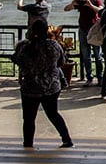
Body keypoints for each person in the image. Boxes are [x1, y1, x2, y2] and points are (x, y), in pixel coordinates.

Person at [11, 19, 73, 149]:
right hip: (50, 86)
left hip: (30, 87)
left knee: (28, 119)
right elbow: (61, 62)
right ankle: (67, 140)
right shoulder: (53, 45)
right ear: (47, 30)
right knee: (53, 114)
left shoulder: (25, 46)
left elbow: (16, 59)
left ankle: (28, 144)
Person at [64, 0, 102, 86]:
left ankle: (100, 78)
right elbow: (66, 9)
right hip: (83, 30)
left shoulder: (96, 0)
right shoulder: (81, 1)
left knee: (98, 55)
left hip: (94, 31)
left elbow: (102, 10)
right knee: (86, 56)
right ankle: (89, 77)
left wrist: (90, 5)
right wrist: (73, 4)